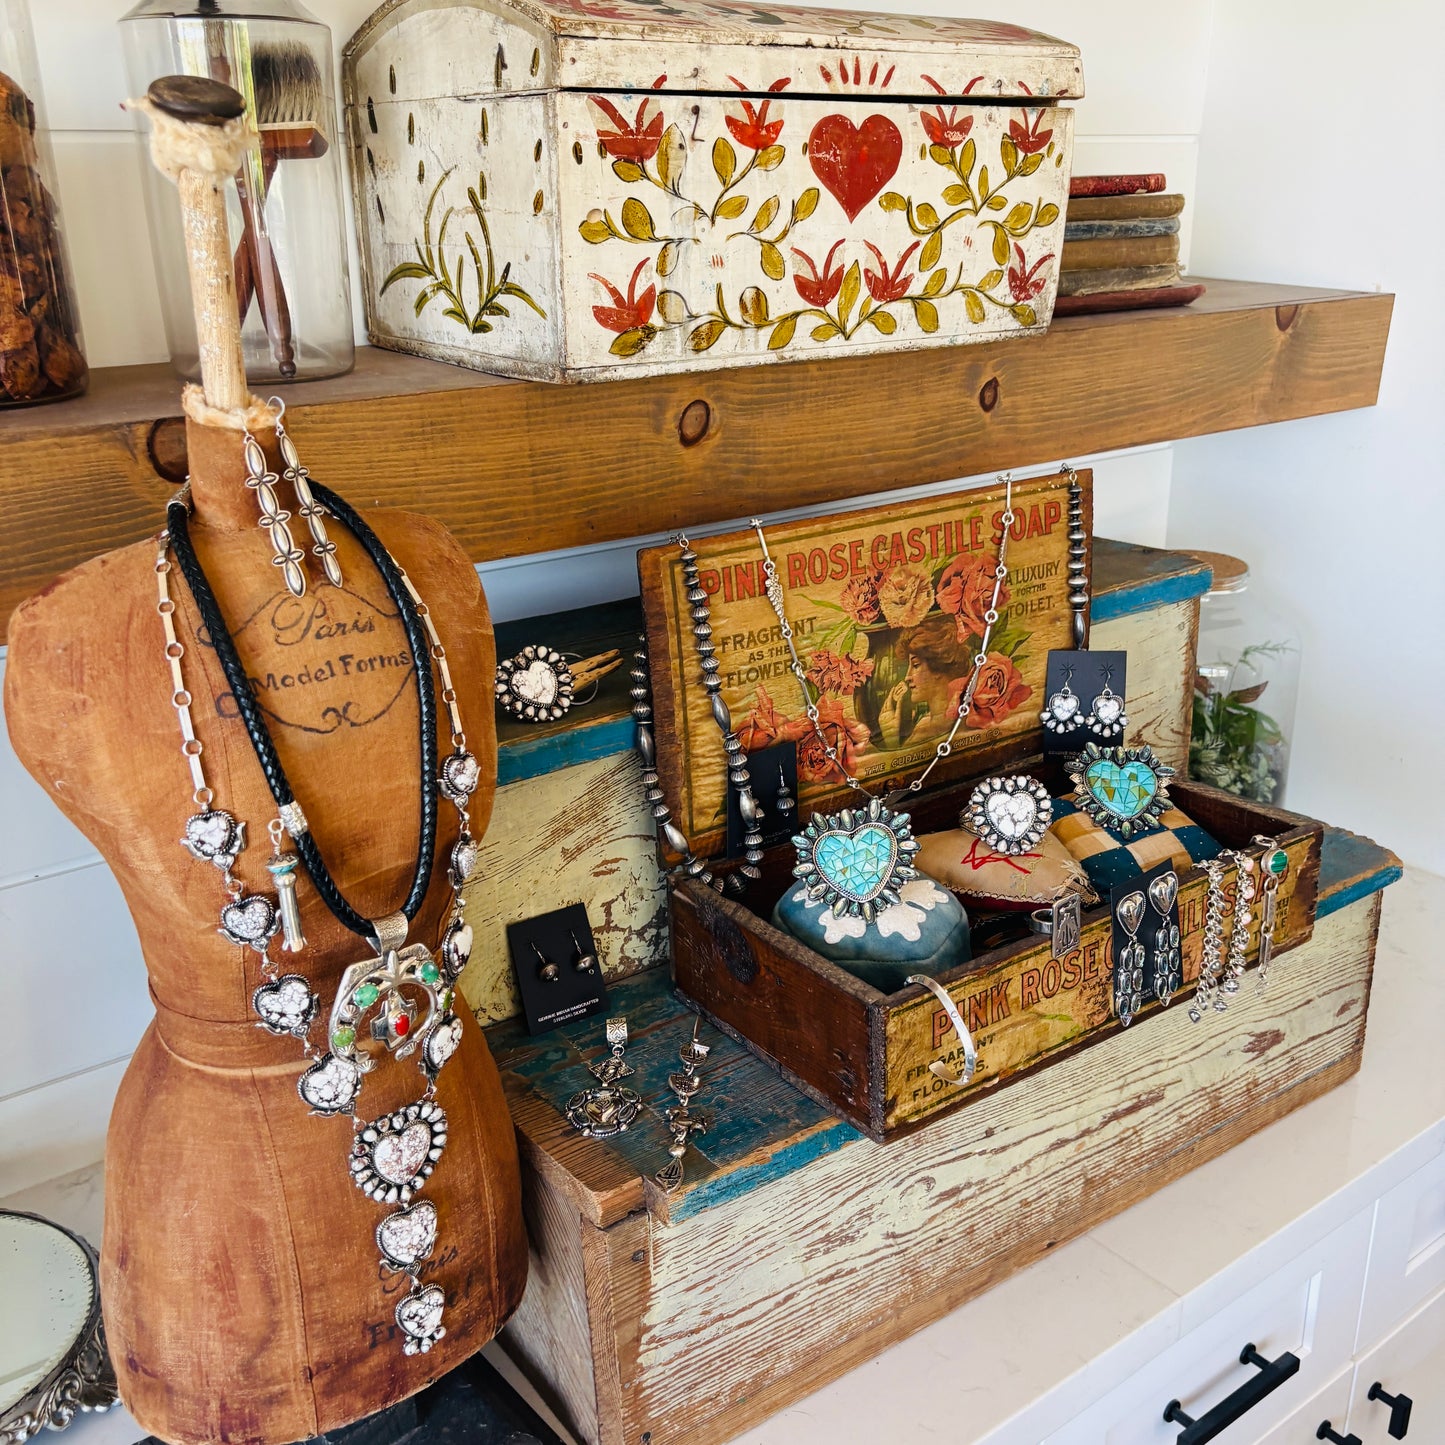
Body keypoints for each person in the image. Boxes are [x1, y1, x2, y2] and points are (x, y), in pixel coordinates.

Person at [877, 614, 972, 749]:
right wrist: (891, 735)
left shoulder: (958, 723)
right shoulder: (923, 723)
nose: (907, 677)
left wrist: (891, 740)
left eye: (915, 665)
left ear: (938, 666)